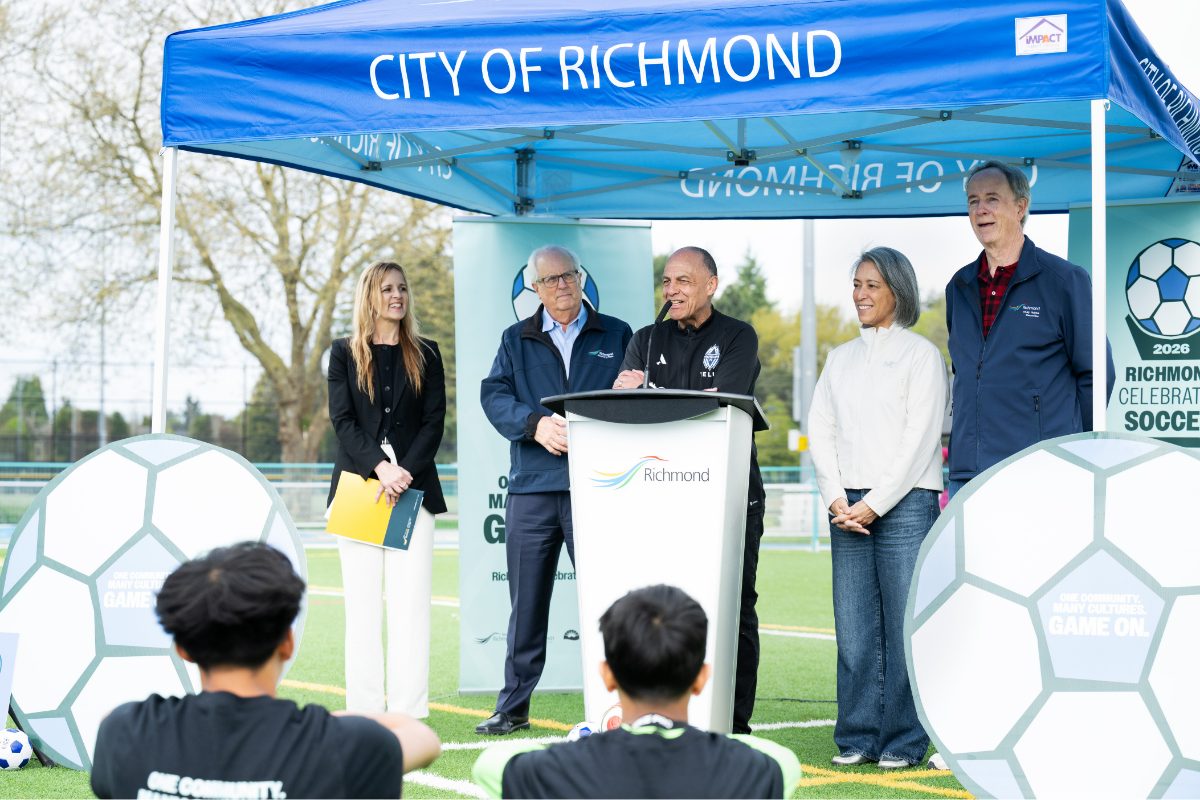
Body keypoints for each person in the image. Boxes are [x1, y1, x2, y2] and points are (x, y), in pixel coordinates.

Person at [90, 542, 441, 799]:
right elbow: (422, 739)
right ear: (287, 642)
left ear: (183, 649)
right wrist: (331, 722)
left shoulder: (125, 734)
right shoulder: (342, 746)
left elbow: (111, 721)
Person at [477, 245, 633, 735]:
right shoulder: (515, 339)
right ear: (535, 289)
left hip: (600, 486)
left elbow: (638, 395)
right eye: (551, 280)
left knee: (610, 601)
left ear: (581, 278)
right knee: (526, 603)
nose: (563, 285)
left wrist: (636, 390)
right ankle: (513, 706)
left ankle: (623, 700)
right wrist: (534, 424)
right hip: (533, 489)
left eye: (569, 276)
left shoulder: (618, 333)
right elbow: (494, 395)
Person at [612, 245, 764, 734]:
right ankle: (664, 713)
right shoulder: (644, 338)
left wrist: (648, 394)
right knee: (661, 606)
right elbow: (624, 405)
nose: (671, 290)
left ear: (710, 285)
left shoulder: (739, 336)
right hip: (659, 494)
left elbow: (721, 404)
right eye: (666, 282)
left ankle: (734, 723)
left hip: (729, 493)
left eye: (683, 281)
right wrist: (628, 396)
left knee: (733, 604)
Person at [807, 247, 947, 770]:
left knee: (902, 626)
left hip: (905, 504)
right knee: (855, 629)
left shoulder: (921, 355)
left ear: (898, 292)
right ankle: (859, 736)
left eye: (872, 285)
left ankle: (905, 741)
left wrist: (875, 504)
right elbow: (820, 428)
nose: (860, 295)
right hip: (846, 506)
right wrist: (837, 498)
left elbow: (919, 439)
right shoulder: (839, 358)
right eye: (857, 284)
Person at [472, 585, 801, 798]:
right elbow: (778, 757)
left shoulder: (548, 771)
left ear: (608, 676)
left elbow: (489, 763)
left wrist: (583, 743)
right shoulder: (763, 768)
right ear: (701, 678)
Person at [327, 260, 446, 716]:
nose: (397, 296)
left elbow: (434, 422)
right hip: (359, 490)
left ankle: (408, 712)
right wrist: (381, 468)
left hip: (414, 493)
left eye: (402, 287)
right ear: (370, 296)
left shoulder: (428, 353)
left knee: (410, 609)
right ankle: (364, 711)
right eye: (387, 289)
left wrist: (404, 474)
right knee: (362, 610)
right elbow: (343, 421)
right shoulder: (343, 353)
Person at [946, 160, 1101, 496]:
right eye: (973, 201)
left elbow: (1098, 374)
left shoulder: (1064, 281)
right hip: (967, 471)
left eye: (992, 199)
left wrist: (1069, 444)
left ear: (1020, 207)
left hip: (1039, 467)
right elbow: (964, 372)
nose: (981, 209)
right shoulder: (958, 286)